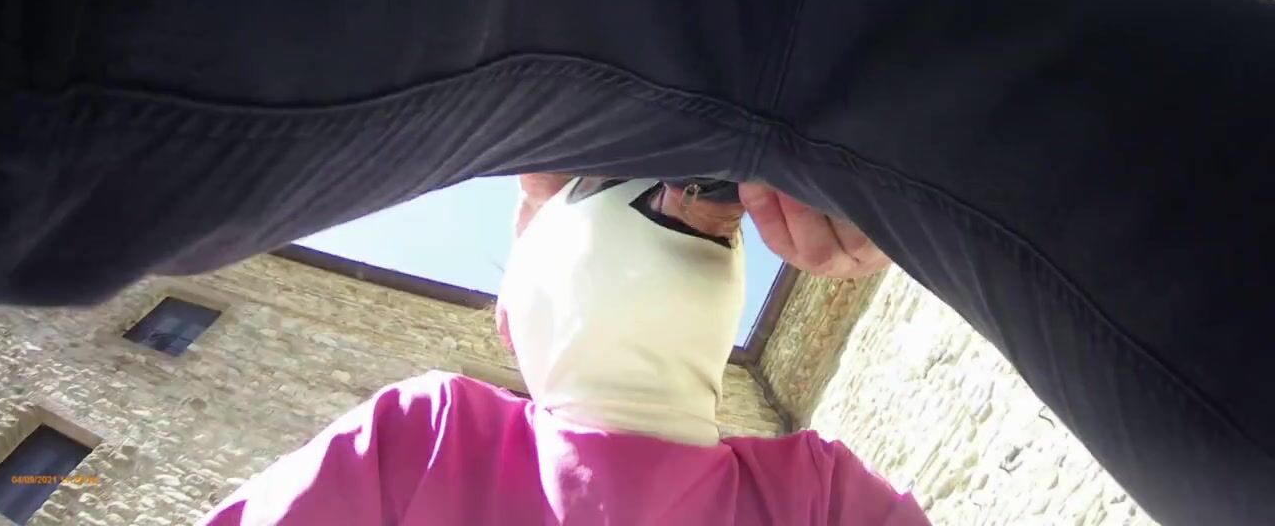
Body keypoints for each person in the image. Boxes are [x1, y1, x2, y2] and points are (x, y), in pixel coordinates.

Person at [0, 0, 1272, 522]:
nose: (709, 215)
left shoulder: (806, 487)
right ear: (511, 304)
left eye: (711, 215)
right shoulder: (432, 439)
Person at [198, 175, 929, 525]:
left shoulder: (822, 494)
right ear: (513, 314)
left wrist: (909, 190)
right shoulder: (432, 435)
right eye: (608, 177)